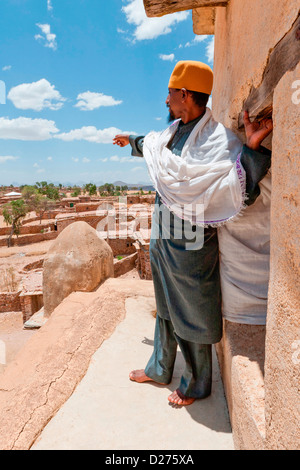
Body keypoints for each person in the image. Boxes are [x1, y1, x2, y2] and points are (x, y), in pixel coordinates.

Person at [113, 61, 273, 406]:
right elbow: (154, 147)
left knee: (193, 309)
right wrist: (131, 140)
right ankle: (159, 367)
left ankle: (197, 383)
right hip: (163, 235)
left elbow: (239, 189)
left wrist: (254, 149)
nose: (166, 99)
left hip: (192, 241)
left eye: (170, 93)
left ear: (184, 94)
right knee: (166, 304)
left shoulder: (219, 140)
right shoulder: (173, 131)